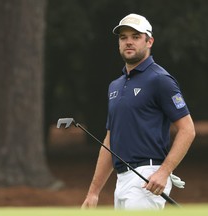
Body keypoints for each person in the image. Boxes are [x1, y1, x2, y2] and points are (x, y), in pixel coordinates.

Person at [81, 13, 195, 210]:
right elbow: (110, 140)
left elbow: (188, 130)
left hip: (148, 177)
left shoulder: (160, 80)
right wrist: (93, 192)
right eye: (123, 37)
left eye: (135, 36)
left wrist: (164, 172)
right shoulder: (114, 86)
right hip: (122, 179)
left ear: (149, 41)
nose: (128, 42)